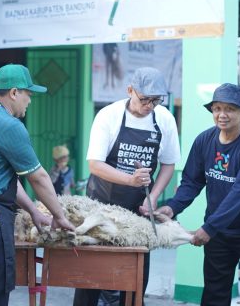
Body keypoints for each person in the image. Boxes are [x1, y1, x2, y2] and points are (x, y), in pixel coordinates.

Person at [0, 64, 75, 306]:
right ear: (14, 93)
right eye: (29, 94)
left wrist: (33, 211)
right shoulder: (9, 125)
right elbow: (38, 177)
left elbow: (4, 177)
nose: (30, 101)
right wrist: (59, 215)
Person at [156, 83, 240, 306]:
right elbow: (192, 182)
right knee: (215, 293)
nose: (222, 115)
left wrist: (208, 228)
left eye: (230, 109)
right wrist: (173, 207)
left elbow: (239, 194)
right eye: (217, 109)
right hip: (220, 232)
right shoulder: (204, 141)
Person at [73, 66, 181, 306]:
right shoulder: (108, 115)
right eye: (145, 99)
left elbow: (168, 165)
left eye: (156, 100)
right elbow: (95, 165)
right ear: (130, 90)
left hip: (138, 211)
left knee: (134, 277)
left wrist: (153, 197)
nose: (150, 105)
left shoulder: (164, 119)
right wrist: (129, 179)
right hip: (101, 207)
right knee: (91, 275)